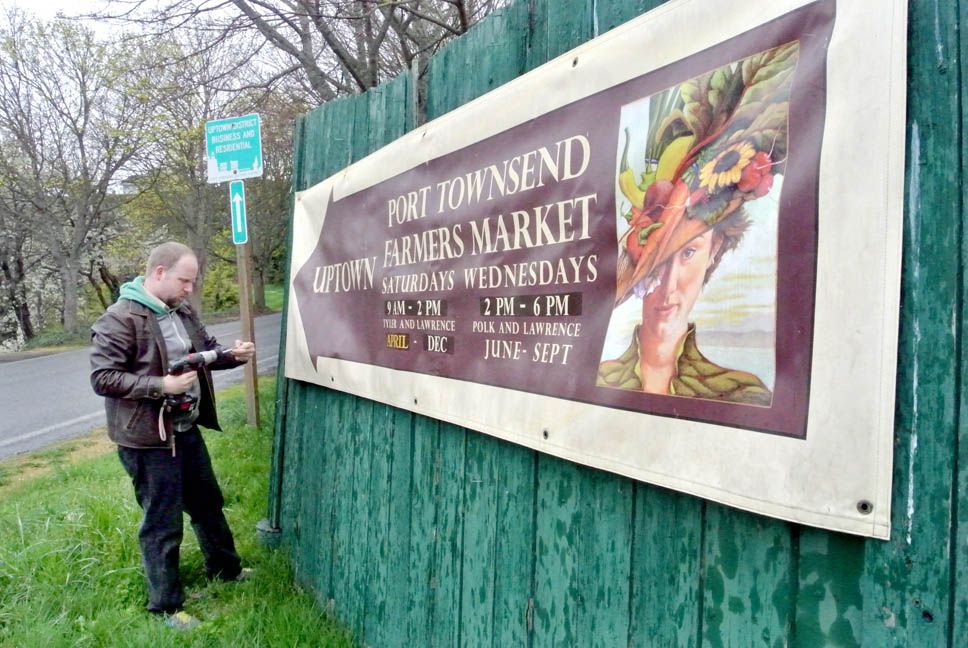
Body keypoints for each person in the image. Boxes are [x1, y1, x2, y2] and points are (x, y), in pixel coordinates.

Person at [90, 241, 255, 622]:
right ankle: (166, 607)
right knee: (162, 522)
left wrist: (233, 355)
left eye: (192, 282)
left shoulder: (180, 310)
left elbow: (204, 352)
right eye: (184, 281)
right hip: (146, 439)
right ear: (159, 273)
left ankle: (226, 571)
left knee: (207, 504)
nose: (189, 289)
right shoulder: (120, 318)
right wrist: (161, 386)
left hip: (184, 428)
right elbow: (103, 377)